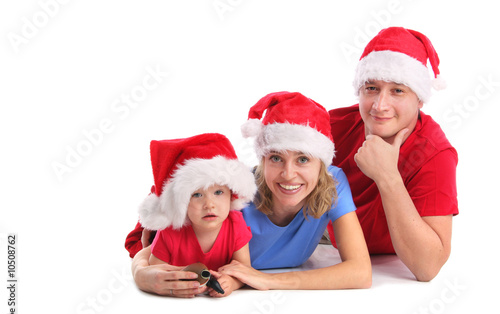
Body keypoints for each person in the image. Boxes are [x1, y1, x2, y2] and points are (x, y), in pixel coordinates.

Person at [127, 92, 371, 293]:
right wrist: (141, 273)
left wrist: (268, 281)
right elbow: (162, 246)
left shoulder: (333, 181)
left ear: (322, 165)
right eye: (276, 158)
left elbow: (360, 272)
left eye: (303, 159)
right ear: (262, 160)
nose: (288, 174)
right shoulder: (233, 200)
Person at [327, 27, 459, 282]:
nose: (380, 106)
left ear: (419, 99)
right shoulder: (334, 125)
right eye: (372, 88)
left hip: (377, 258)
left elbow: (427, 267)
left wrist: (387, 176)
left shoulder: (435, 153)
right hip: (323, 233)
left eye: (398, 90)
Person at [131, 133, 257, 297]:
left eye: (218, 192)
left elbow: (243, 270)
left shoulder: (235, 224)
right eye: (197, 195)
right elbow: (157, 272)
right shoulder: (170, 232)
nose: (209, 204)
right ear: (181, 202)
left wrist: (231, 282)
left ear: (232, 195)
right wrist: (174, 286)